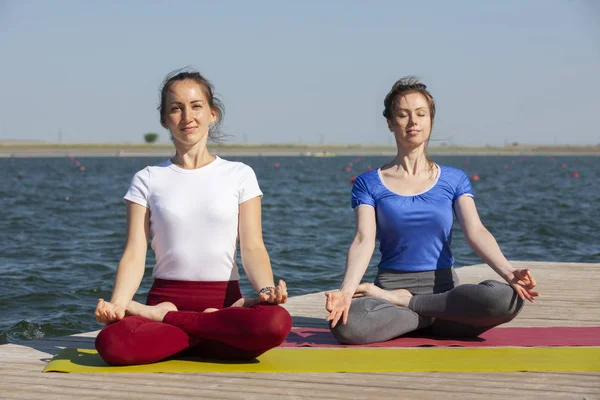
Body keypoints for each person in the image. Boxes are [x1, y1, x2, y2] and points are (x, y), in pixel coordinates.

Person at [94, 69, 292, 365]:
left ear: (212, 114)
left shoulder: (239, 175)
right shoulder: (147, 179)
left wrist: (265, 291)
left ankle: (175, 326)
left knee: (276, 322)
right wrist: (119, 304)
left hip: (222, 307)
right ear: (165, 120)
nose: (188, 116)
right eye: (176, 108)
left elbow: (252, 246)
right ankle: (200, 332)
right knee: (111, 343)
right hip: (174, 304)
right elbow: (135, 251)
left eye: (196, 106)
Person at [325, 77, 540, 344]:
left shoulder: (454, 179)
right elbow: (363, 239)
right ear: (391, 124)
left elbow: (476, 232)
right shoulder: (368, 182)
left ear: (430, 121)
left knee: (506, 298)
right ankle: (422, 314)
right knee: (347, 326)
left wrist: (510, 273)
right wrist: (345, 292)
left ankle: (413, 306)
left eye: (420, 114)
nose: (413, 122)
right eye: (403, 115)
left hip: (445, 294)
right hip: (394, 292)